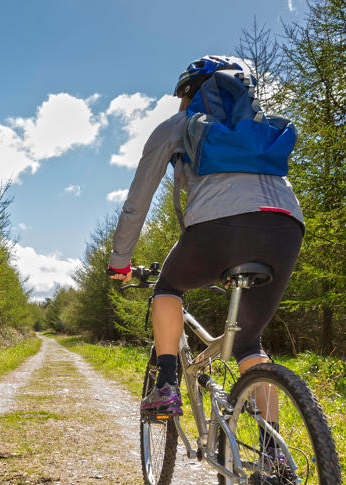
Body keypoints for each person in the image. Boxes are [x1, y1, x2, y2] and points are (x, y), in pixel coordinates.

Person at [107, 55, 304, 419]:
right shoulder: (260, 126)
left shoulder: (178, 124)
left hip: (218, 226)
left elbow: (137, 203)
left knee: (167, 288)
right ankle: (273, 456)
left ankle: (166, 385)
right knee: (248, 342)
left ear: (189, 92)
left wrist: (120, 263)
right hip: (286, 227)